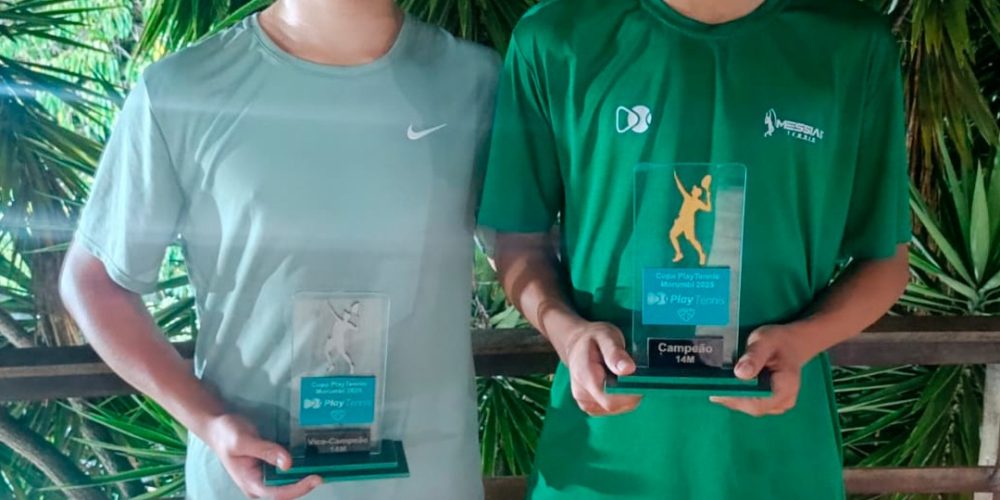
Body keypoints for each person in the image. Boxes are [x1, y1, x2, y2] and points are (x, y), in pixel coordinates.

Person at [59, 0, 499, 498]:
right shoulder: (181, 90)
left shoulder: (477, 81)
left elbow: (525, 250)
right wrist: (209, 421)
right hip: (255, 479)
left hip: (429, 477)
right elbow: (93, 282)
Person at [477, 0, 911, 498]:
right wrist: (569, 334)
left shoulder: (850, 45)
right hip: (602, 457)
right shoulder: (556, 37)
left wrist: (802, 341)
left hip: (776, 459)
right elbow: (518, 242)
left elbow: (885, 260)